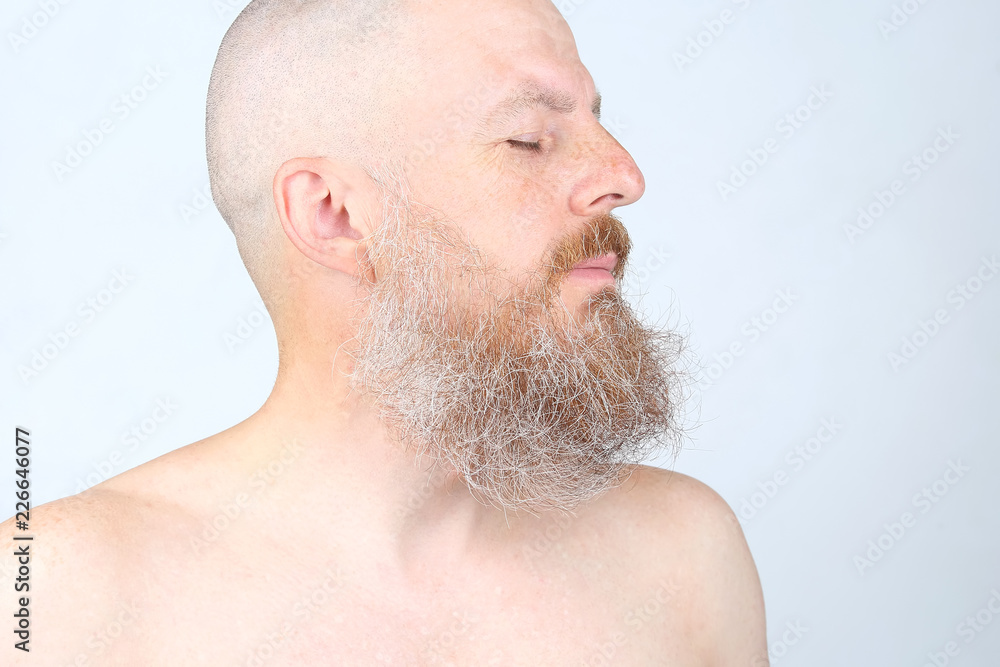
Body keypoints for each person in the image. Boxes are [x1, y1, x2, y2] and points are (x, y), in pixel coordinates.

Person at [2, 0, 767, 663]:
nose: (624, 174)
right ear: (333, 214)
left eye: (599, 120)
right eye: (528, 140)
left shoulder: (683, 556)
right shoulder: (49, 598)